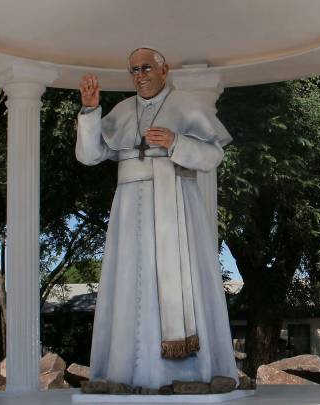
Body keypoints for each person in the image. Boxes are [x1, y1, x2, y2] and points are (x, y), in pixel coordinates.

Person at [76, 47, 237, 389]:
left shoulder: (187, 105)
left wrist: (176, 142)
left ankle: (184, 374)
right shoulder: (122, 110)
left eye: (147, 68)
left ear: (165, 71)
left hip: (175, 204)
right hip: (128, 208)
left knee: (177, 280)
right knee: (130, 282)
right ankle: (125, 373)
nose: (140, 75)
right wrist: (90, 111)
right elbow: (90, 156)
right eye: (134, 70)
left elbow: (213, 156)